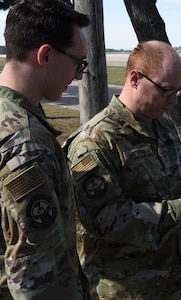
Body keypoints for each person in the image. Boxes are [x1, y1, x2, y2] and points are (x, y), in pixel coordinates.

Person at [64, 40, 181, 299]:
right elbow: (102, 219)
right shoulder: (95, 141)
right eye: (167, 91)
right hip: (120, 290)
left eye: (179, 91)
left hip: (168, 282)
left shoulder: (163, 127)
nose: (174, 101)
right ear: (135, 79)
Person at [0, 0, 90, 299]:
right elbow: (37, 276)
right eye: (79, 64)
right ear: (46, 55)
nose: (78, 75)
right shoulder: (26, 143)